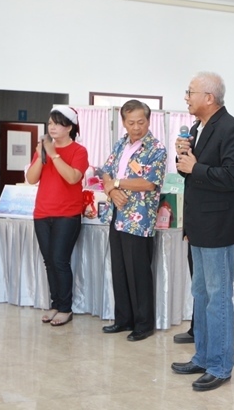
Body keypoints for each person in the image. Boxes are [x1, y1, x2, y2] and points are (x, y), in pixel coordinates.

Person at [170, 72, 234, 392]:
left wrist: (195, 167)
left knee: (218, 299)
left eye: (190, 92)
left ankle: (220, 365)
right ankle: (203, 356)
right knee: (201, 295)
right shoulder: (197, 128)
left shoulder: (232, 129)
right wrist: (183, 158)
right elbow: (191, 175)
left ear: (209, 98)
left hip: (218, 228)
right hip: (199, 226)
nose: (186, 97)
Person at [100, 100, 167, 341]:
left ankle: (143, 324)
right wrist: (111, 189)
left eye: (141, 122)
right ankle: (123, 319)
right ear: (123, 122)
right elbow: (105, 171)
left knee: (138, 272)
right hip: (116, 214)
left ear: (149, 120)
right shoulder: (120, 143)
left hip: (138, 220)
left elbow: (149, 183)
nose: (136, 127)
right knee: (119, 270)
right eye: (131, 123)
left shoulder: (156, 149)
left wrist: (116, 183)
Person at [26, 106, 89, 327]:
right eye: (50, 123)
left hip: (67, 214)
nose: (52, 127)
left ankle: (65, 308)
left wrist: (54, 155)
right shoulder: (43, 149)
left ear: (69, 127)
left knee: (60, 261)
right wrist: (41, 155)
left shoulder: (79, 151)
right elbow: (31, 179)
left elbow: (72, 178)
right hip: (42, 212)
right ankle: (55, 304)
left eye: (57, 123)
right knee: (49, 261)